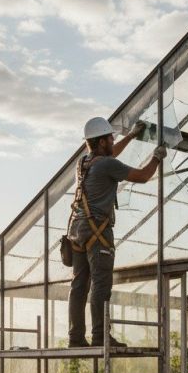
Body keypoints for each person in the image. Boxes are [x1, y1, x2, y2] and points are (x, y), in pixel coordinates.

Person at [67, 116, 167, 348]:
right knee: (101, 285)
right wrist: (157, 157)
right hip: (98, 232)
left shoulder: (83, 163)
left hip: (78, 231)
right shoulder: (106, 165)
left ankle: (75, 337)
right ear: (101, 142)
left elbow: (110, 157)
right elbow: (143, 176)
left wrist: (131, 136)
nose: (113, 140)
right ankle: (101, 336)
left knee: (79, 285)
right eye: (110, 138)